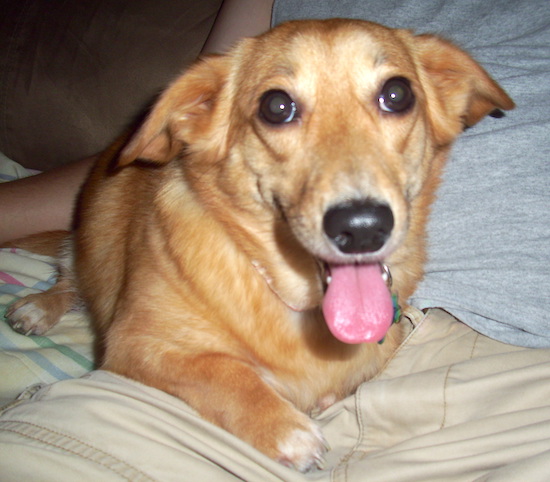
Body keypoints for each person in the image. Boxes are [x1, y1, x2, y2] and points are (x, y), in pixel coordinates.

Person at [1, 0, 549, 480]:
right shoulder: (213, 106)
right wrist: (241, 400)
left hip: (513, 365)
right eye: (280, 108)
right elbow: (137, 348)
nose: (356, 199)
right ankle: (62, 288)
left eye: (392, 97)